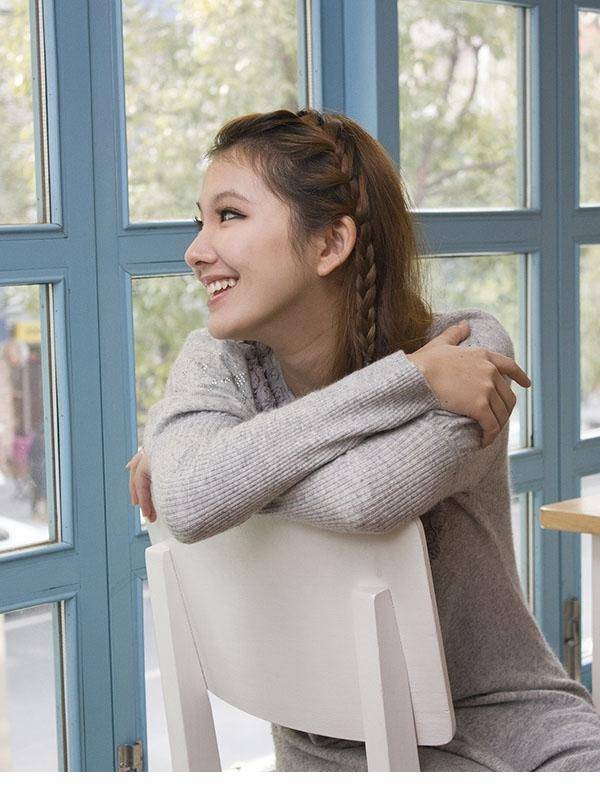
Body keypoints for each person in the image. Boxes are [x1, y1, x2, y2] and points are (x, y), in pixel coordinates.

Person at [126, 108, 600, 771]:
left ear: (329, 244)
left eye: (228, 216)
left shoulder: (468, 349)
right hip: (329, 761)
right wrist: (407, 380)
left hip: (516, 742)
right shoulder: (218, 360)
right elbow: (190, 497)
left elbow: (362, 501)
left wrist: (225, 468)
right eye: (199, 221)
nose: (196, 250)